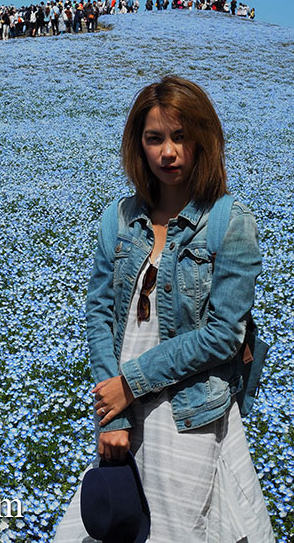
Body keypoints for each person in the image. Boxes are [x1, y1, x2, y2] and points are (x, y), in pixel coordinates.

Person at [78, 75, 274, 542]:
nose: (169, 152)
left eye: (181, 137)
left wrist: (131, 382)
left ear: (204, 140)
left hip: (188, 413)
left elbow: (224, 335)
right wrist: (115, 413)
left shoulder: (229, 222)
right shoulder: (120, 217)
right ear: (138, 145)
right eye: (155, 138)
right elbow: (99, 316)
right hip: (122, 409)